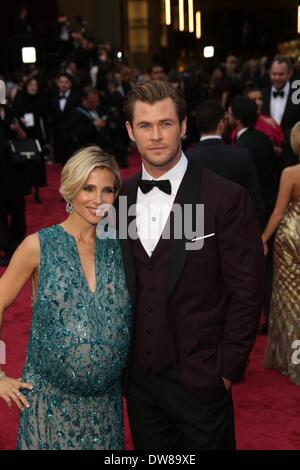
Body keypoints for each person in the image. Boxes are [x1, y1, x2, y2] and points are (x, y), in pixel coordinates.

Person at [119, 80, 265, 450]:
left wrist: (226, 370)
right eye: (145, 125)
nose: (155, 136)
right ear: (130, 131)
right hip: (140, 386)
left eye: (166, 124)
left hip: (202, 382)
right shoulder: (120, 198)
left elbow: (248, 290)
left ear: (184, 126)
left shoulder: (225, 198)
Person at [0, 146, 132, 450]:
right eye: (88, 188)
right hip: (48, 407)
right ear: (70, 188)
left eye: (107, 190)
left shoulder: (121, 247)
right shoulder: (39, 245)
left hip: (105, 410)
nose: (98, 199)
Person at [228, 96, 277, 335]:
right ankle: (270, 314)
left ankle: (263, 315)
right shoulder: (263, 139)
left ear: (236, 118)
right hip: (270, 206)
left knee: (253, 272)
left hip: (256, 214)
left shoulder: (242, 147)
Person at [188, 99, 264, 229]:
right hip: (236, 233)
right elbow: (255, 202)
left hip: (199, 235)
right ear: (221, 125)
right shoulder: (242, 156)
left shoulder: (187, 158)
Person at [263, 122, 300, 386]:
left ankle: (292, 358)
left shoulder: (290, 173)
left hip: (291, 237)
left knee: (290, 298)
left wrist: (263, 238)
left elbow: (278, 212)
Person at [261, 56, 300, 171]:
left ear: (290, 73)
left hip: (292, 156)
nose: (277, 77)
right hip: (267, 159)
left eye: (281, 74)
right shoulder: (262, 95)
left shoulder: (297, 94)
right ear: (269, 73)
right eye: (274, 74)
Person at [13, 77, 48, 203]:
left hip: (37, 134)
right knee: (24, 163)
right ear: (26, 86)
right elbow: (14, 113)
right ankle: (24, 189)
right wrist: (19, 119)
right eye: (31, 85)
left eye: (35, 85)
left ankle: (37, 192)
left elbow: (45, 117)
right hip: (23, 135)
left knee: (37, 164)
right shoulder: (20, 98)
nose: (33, 87)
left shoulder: (41, 99)